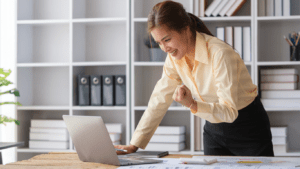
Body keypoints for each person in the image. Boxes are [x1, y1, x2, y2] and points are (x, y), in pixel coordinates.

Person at [115, 1, 274, 156]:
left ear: (185, 29)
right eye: (159, 43)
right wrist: (134, 144)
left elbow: (229, 112)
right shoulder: (174, 58)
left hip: (248, 128)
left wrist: (192, 104)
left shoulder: (220, 53)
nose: (164, 48)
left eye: (167, 40)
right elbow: (159, 99)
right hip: (213, 131)